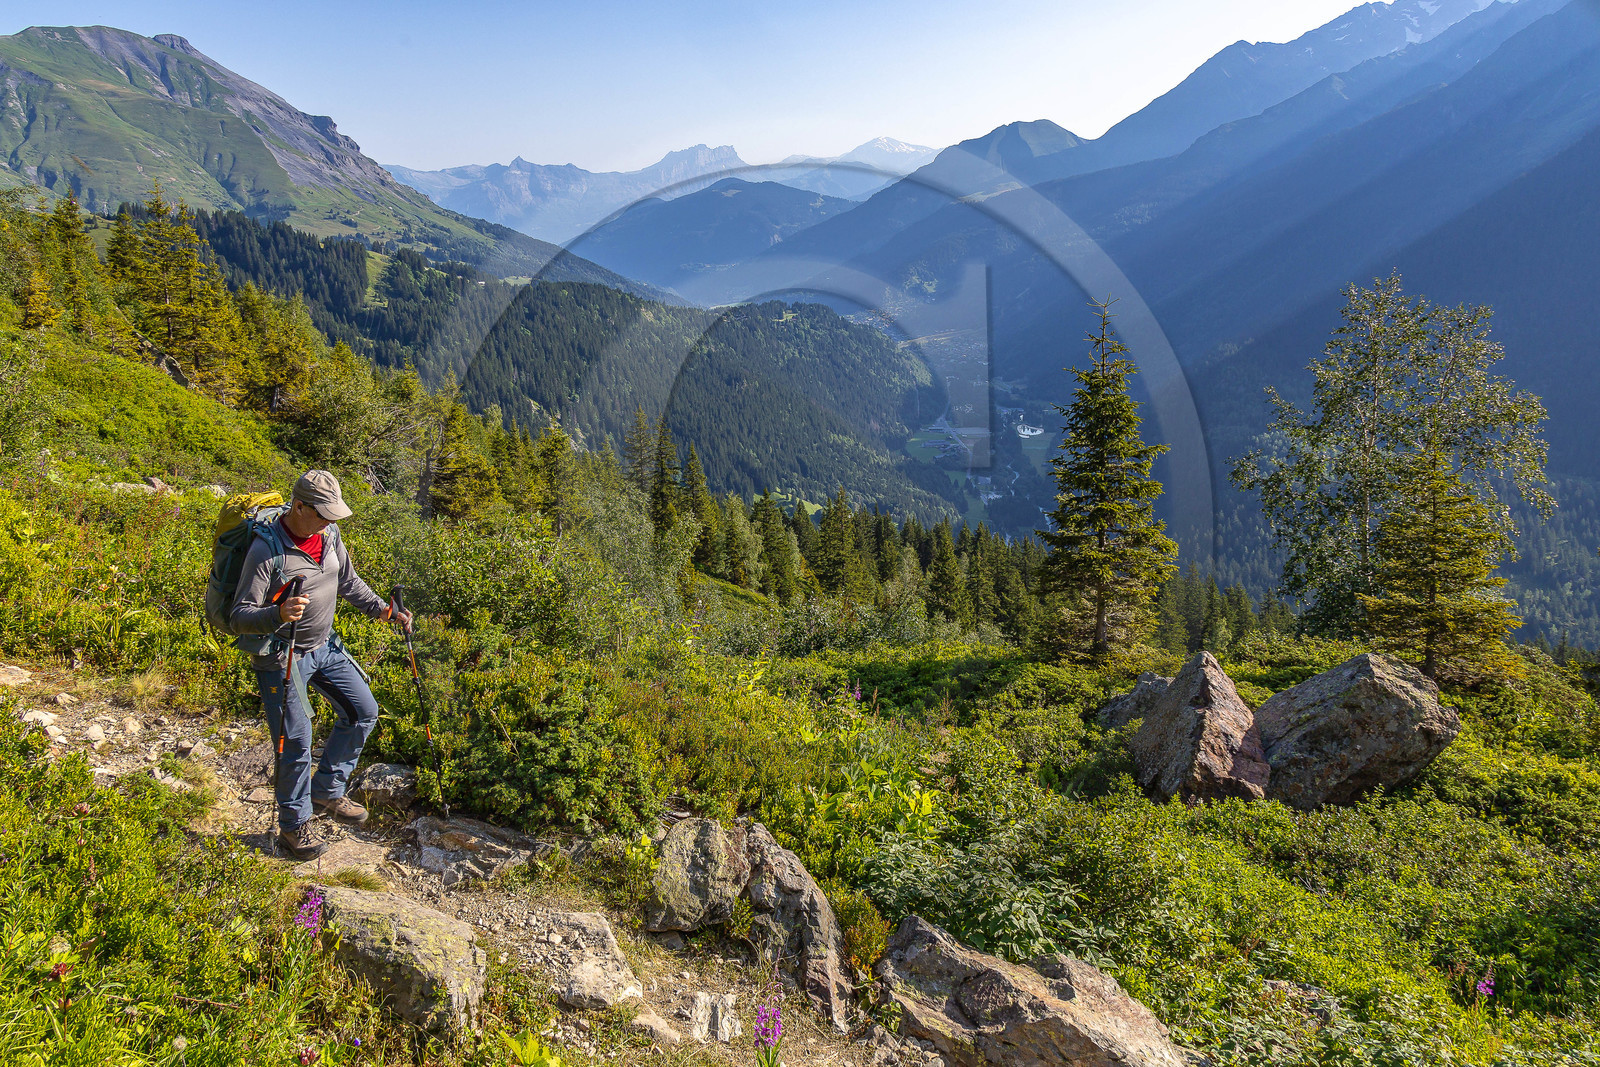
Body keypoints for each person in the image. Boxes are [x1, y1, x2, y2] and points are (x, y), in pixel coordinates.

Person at [230, 470, 411, 860]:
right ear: (299, 506)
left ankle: (327, 790)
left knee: (363, 711)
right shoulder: (267, 551)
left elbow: (347, 580)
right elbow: (238, 615)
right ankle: (294, 827)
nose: (330, 521)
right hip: (282, 656)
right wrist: (277, 614)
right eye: (324, 513)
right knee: (296, 741)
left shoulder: (328, 535)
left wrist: (382, 609)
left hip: (324, 647)